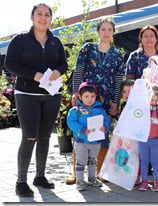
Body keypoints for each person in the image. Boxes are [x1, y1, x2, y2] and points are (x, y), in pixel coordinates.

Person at [4, 3, 68, 197]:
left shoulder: (55, 42)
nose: (43, 18)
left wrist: (58, 70)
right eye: (39, 14)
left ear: (51, 19)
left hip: (51, 95)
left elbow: (63, 64)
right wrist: (34, 75)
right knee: (29, 136)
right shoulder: (21, 39)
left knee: (45, 137)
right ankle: (20, 181)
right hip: (26, 95)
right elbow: (10, 64)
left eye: (47, 15)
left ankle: (40, 176)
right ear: (32, 17)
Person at [69, 18, 125, 183]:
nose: (106, 32)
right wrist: (74, 93)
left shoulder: (117, 54)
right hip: (86, 98)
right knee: (80, 132)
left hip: (106, 101)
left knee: (101, 134)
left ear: (113, 32)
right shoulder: (88, 49)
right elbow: (78, 71)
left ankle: (101, 171)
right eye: (103, 29)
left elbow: (118, 80)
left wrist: (115, 101)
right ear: (98, 31)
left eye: (109, 29)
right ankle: (75, 172)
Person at [67, 82, 110, 191]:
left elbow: (106, 120)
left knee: (92, 160)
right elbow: (71, 122)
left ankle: (92, 178)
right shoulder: (76, 110)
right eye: (86, 96)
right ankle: (80, 180)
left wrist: (104, 127)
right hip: (81, 141)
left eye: (92, 96)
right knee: (81, 161)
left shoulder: (100, 110)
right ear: (80, 97)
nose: (90, 99)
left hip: (95, 141)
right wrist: (82, 129)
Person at [138, 84, 158, 191]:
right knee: (144, 161)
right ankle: (144, 181)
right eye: (151, 99)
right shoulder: (144, 109)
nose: (153, 102)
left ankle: (157, 181)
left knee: (155, 161)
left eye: (156, 100)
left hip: (155, 139)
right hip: (143, 139)